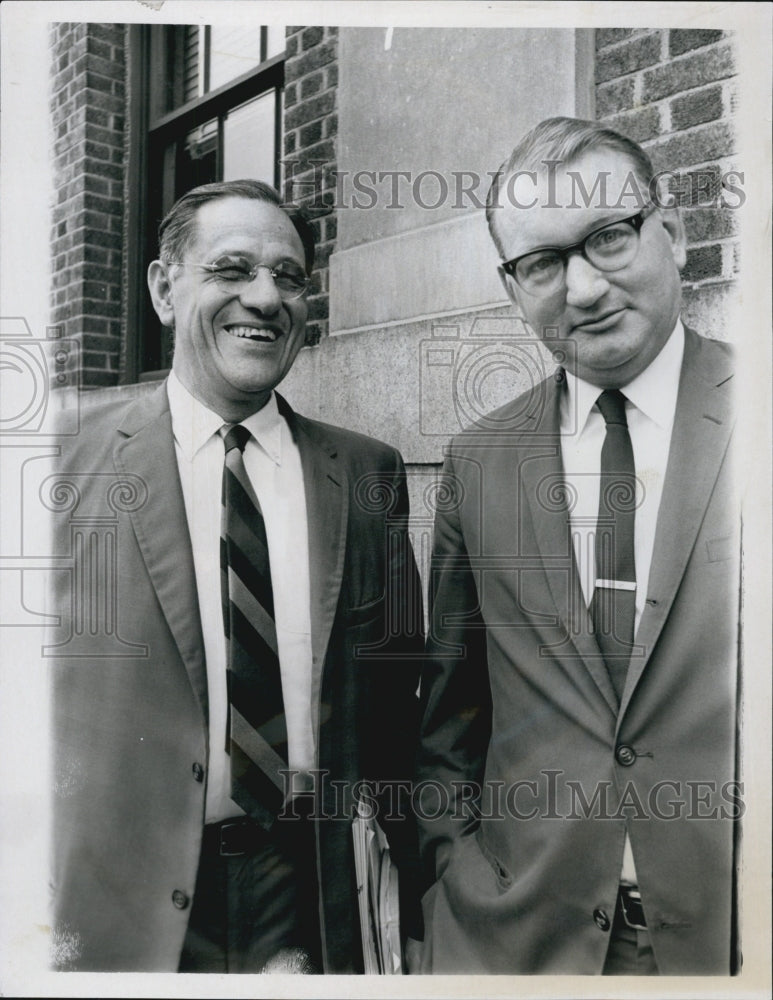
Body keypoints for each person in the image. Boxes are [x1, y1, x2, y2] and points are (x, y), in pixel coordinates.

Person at [48, 179, 423, 972]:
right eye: (231, 270)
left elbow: (394, 715)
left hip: (309, 903)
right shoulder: (55, 459)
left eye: (287, 277)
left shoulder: (366, 475)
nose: (264, 298)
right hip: (110, 908)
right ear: (162, 287)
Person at [415, 117, 739, 975]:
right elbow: (449, 715)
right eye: (542, 263)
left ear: (669, 233)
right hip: (520, 947)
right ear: (512, 287)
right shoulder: (478, 461)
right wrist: (452, 875)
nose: (584, 288)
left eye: (606, 237)